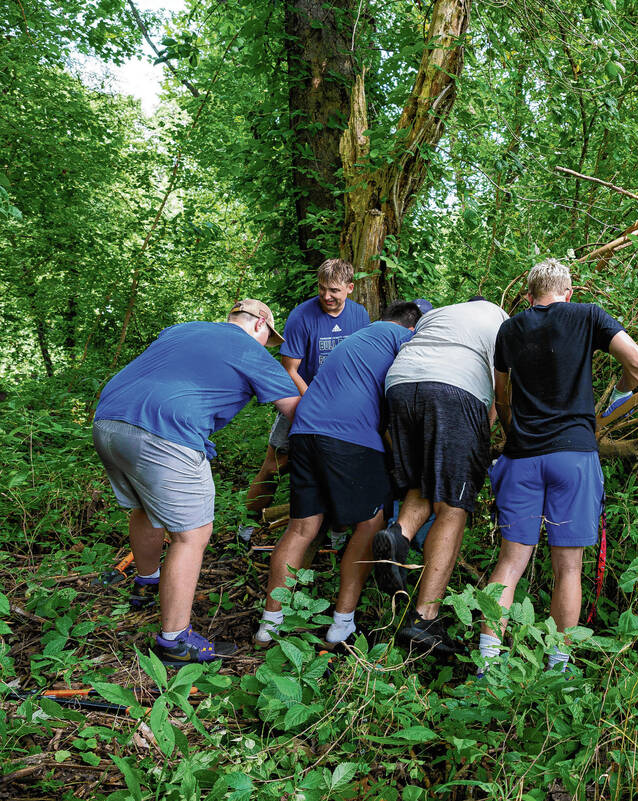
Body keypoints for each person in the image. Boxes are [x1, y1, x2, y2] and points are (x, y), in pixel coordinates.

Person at [93, 300, 301, 665]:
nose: (266, 346)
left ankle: (147, 582)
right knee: (192, 535)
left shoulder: (183, 329)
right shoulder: (250, 349)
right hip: (166, 432)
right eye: (268, 338)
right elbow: (296, 410)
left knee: (144, 508)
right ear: (260, 324)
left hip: (108, 421)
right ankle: (175, 641)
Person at [480, 259, 638, 673]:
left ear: (529, 295)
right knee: (569, 567)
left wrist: (512, 431)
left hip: (521, 456)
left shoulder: (510, 328)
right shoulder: (587, 315)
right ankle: (557, 666)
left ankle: (486, 663)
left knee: (510, 562)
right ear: (568, 293)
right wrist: (620, 396)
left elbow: (501, 394)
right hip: (573, 456)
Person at [253, 302, 424, 648]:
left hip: (304, 431)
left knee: (302, 528)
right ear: (411, 328)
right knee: (371, 523)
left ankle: (269, 624)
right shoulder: (403, 339)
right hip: (348, 436)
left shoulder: (360, 337)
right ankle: (342, 623)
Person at [374, 297, 509, 655]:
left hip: (400, 384)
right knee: (453, 505)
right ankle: (425, 618)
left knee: (421, 484)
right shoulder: (500, 320)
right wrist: (484, 438)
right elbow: (500, 393)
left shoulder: (440, 315)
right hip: (453, 388)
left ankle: (398, 535)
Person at [239, 259, 370, 542]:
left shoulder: (360, 315)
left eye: (334, 290)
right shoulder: (302, 315)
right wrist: (315, 405)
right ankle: (247, 524)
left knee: (340, 466)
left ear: (349, 288)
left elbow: (361, 361)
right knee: (275, 465)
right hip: (302, 399)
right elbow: (290, 369)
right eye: (322, 288)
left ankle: (337, 534)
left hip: (345, 406)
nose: (326, 296)